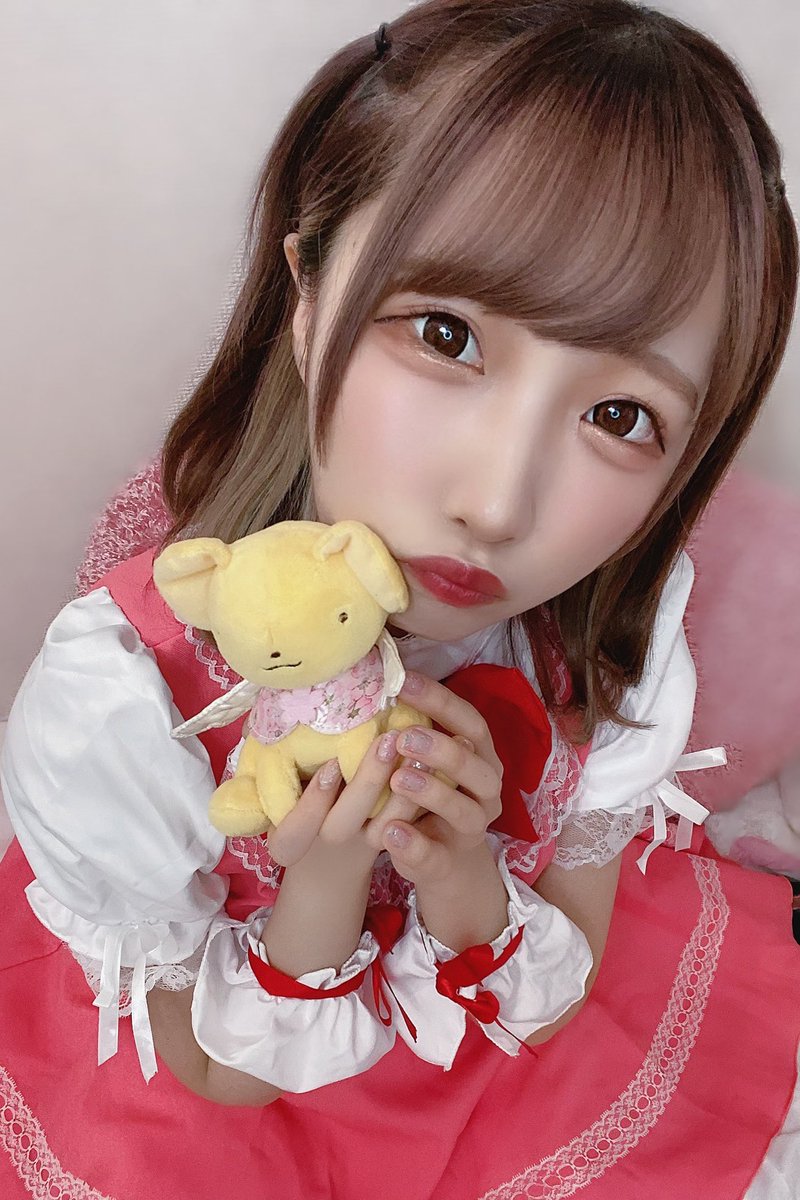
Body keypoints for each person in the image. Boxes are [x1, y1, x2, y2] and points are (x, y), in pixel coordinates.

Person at [1, 1, 798, 1196]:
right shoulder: (124, 689)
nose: (496, 502)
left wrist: (456, 865)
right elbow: (218, 1076)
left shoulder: (597, 645)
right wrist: (326, 877)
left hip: (485, 1047)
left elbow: (547, 1002)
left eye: (617, 415)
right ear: (306, 290)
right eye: (445, 335)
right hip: (225, 1086)